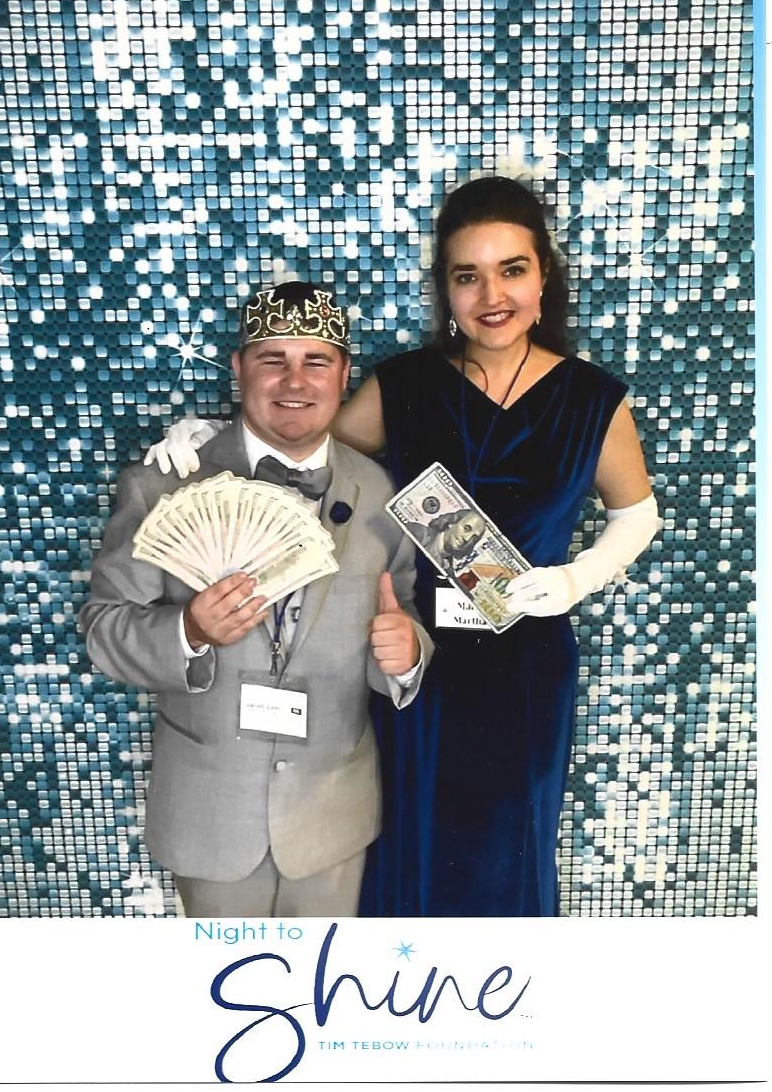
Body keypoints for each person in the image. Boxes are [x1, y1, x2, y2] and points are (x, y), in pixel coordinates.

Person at [145, 178, 659, 916]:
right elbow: (302, 456)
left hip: (523, 667)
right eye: (467, 275)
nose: (491, 295)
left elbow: (636, 515)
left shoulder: (591, 398)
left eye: (511, 269)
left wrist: (575, 580)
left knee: (505, 853)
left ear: (543, 277)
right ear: (445, 290)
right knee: (403, 845)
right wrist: (213, 444)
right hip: (413, 658)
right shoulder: (405, 385)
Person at [80, 281, 432, 918]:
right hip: (210, 815)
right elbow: (104, 628)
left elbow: (401, 610)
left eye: (316, 361)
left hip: (333, 816)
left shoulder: (383, 494)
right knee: (226, 980)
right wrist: (188, 631)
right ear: (239, 368)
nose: (294, 381)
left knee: (321, 980)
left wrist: (406, 654)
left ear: (343, 375)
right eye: (273, 359)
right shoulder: (163, 484)